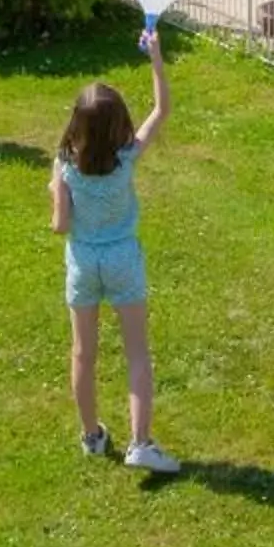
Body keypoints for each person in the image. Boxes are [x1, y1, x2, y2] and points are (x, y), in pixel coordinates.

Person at [52, 31, 180, 473]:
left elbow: (60, 225)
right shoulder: (126, 158)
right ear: (119, 125)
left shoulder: (65, 165)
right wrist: (156, 58)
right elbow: (162, 109)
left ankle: (92, 436)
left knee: (83, 353)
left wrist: (56, 190)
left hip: (84, 264)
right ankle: (140, 443)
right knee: (137, 353)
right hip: (123, 259)